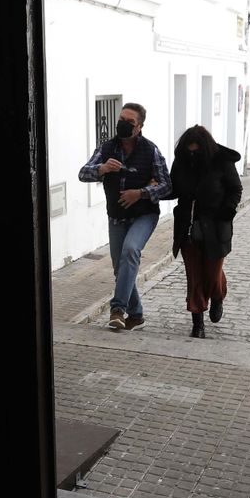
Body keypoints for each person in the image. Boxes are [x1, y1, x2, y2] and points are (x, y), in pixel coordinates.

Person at [78, 102, 172, 330]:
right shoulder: (106, 148)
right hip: (117, 218)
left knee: (130, 251)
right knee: (120, 269)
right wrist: (102, 169)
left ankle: (117, 308)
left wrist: (140, 193)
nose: (123, 124)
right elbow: (83, 173)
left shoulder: (151, 150)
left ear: (139, 127)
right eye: (122, 119)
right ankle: (136, 314)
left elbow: (167, 185)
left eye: (130, 122)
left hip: (144, 215)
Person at [167, 125, 242, 338]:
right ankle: (197, 321)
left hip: (215, 227)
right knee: (194, 276)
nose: (192, 154)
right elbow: (173, 189)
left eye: (196, 151)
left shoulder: (221, 161)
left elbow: (235, 189)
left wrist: (227, 211)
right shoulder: (181, 162)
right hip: (187, 228)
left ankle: (217, 296)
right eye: (189, 150)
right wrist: (153, 190)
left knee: (212, 272)